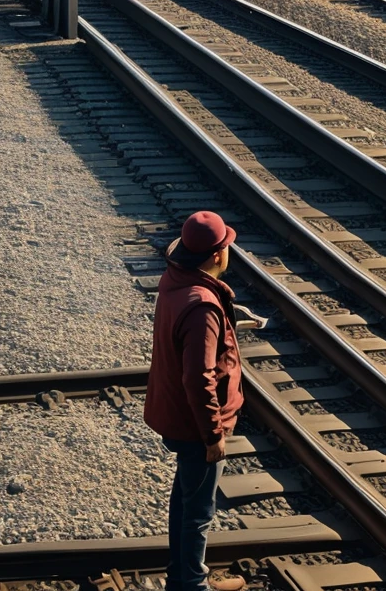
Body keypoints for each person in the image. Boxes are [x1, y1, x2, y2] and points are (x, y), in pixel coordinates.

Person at [144, 211, 246, 591]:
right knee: (199, 511)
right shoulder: (203, 306)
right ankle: (192, 584)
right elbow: (199, 377)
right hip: (195, 425)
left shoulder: (176, 279)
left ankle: (183, 575)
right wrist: (212, 435)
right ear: (219, 256)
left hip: (175, 414)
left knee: (185, 500)